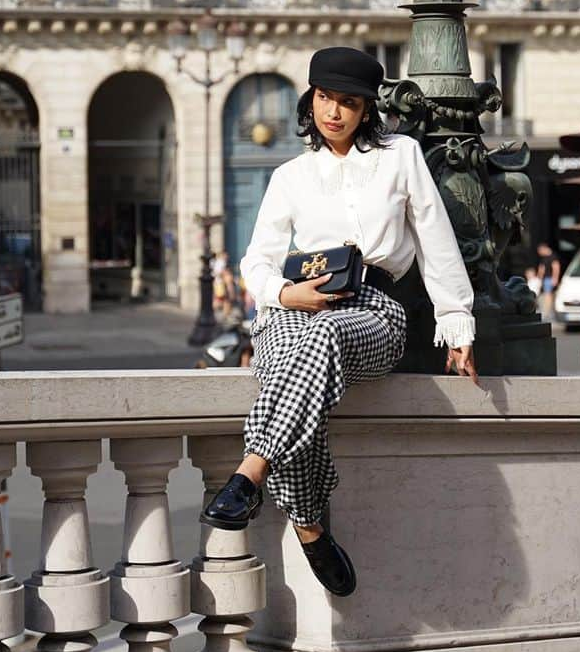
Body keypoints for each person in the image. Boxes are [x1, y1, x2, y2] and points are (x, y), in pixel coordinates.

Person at [200, 47, 477, 598]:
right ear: (311, 101)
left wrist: (456, 320)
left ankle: (250, 473)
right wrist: (283, 292)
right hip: (291, 309)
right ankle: (310, 527)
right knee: (297, 363)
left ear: (367, 110)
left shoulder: (402, 156)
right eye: (325, 98)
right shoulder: (290, 176)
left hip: (372, 310)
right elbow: (256, 259)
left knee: (319, 341)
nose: (334, 112)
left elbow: (434, 237)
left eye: (348, 103)